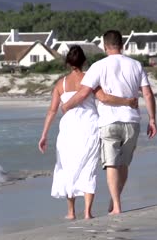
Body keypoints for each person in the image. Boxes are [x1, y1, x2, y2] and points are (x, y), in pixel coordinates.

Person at [61, 30, 157, 215]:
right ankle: (115, 202)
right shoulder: (136, 65)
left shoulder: (98, 66)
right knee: (124, 165)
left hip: (108, 122)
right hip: (132, 121)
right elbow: (147, 94)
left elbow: (83, 93)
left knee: (111, 164)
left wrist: (66, 106)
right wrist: (152, 119)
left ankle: (117, 206)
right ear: (122, 45)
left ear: (105, 47)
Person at [38, 45, 137, 220]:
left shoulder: (61, 84)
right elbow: (104, 98)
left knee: (69, 168)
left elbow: (52, 111)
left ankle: (70, 212)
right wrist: (127, 102)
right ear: (84, 61)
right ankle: (87, 212)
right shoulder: (90, 78)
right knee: (88, 168)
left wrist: (44, 134)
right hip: (89, 127)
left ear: (68, 63)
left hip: (68, 130)